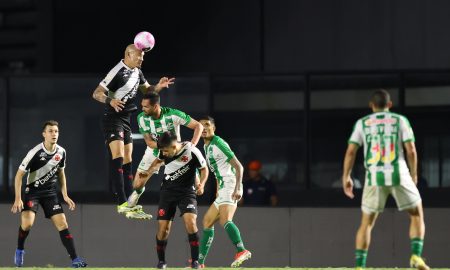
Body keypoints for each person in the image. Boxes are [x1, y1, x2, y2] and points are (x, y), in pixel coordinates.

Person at [342, 89, 429, 270]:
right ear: (389, 105)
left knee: (366, 223)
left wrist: (346, 176)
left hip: (374, 178)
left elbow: (351, 151)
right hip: (399, 175)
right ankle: (415, 256)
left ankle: (360, 267)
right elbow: (411, 150)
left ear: (371, 105)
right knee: (416, 213)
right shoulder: (400, 120)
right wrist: (413, 174)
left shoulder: (362, 123)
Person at [92, 44, 174, 216]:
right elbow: (97, 93)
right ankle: (121, 202)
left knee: (128, 158)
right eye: (138, 56)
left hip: (126, 118)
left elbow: (147, 90)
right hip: (112, 118)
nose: (141, 59)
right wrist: (110, 101)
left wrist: (158, 86)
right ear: (128, 54)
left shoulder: (137, 71)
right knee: (119, 155)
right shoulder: (117, 71)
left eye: (143, 57)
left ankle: (129, 202)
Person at [11, 120, 87, 268]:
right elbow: (19, 175)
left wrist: (64, 194)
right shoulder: (34, 152)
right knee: (27, 225)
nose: (54, 134)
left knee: (63, 223)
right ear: (44, 134)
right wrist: (18, 198)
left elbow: (61, 173)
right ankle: (20, 249)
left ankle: (75, 259)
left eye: (56, 131)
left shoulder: (62, 152)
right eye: (50, 131)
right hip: (32, 192)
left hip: (50, 193)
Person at [134, 131, 208, 269]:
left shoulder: (191, 151)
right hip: (167, 193)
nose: (164, 153)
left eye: (166, 151)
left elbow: (204, 169)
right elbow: (158, 161)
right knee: (163, 230)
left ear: (174, 147)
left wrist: (202, 184)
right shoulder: (165, 151)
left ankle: (195, 262)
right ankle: (161, 262)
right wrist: (148, 172)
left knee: (191, 222)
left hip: (187, 192)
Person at [125, 91, 203, 218]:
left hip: (174, 153)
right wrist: (163, 148)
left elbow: (198, 126)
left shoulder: (174, 115)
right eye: (142, 106)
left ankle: (194, 185)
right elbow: (149, 142)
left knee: (199, 188)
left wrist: (191, 146)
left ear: (155, 106)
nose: (142, 109)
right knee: (137, 184)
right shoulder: (142, 118)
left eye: (146, 106)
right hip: (154, 152)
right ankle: (135, 199)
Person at [197, 116, 251, 268]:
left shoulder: (218, 143)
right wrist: (218, 189)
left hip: (231, 184)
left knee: (225, 219)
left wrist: (238, 188)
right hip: (223, 187)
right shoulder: (207, 146)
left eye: (207, 125)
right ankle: (200, 264)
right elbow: (218, 170)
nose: (204, 128)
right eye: (201, 126)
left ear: (213, 128)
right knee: (207, 222)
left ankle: (242, 250)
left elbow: (239, 166)